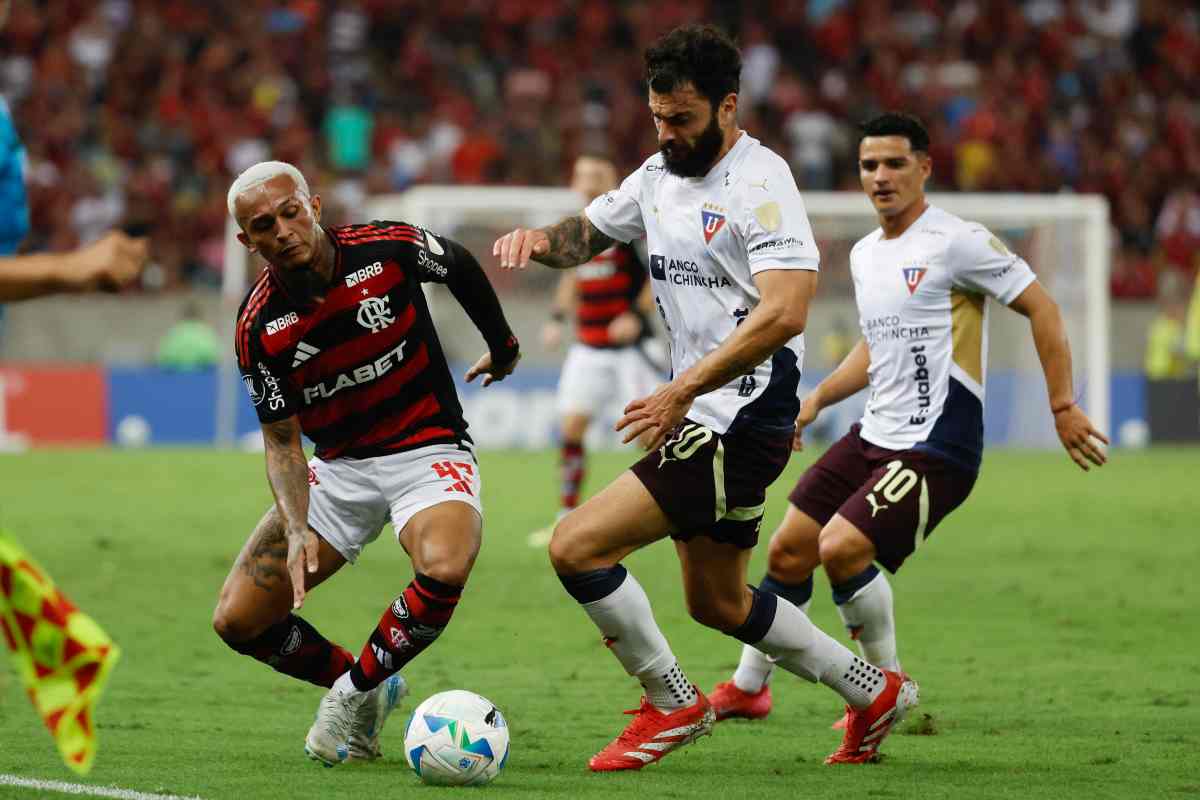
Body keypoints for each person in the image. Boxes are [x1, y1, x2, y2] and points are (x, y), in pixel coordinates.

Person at [494, 25, 917, 770]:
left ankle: (672, 704)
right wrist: (539, 240)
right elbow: (586, 235)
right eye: (658, 117)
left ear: (727, 106)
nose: (667, 133)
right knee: (717, 603)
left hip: (739, 411)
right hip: (706, 408)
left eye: (682, 119)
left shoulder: (761, 183)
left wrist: (681, 390)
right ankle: (872, 690)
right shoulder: (657, 174)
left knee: (576, 545)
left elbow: (786, 311)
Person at [707, 113, 1108, 731]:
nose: (881, 176)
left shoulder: (958, 241)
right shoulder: (866, 254)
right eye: (869, 165)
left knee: (841, 547)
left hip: (938, 444)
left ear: (925, 167)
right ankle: (748, 688)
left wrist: (1061, 404)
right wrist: (818, 400)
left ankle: (884, 693)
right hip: (873, 434)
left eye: (895, 163)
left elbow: (1043, 308)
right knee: (788, 550)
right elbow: (877, 345)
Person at [211, 161, 520, 766]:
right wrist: (295, 526)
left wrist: (503, 345)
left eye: (290, 212)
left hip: (427, 447)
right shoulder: (259, 327)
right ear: (247, 241)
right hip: (338, 469)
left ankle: (349, 695)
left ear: (314, 206)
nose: (283, 231)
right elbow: (282, 442)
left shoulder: (389, 248)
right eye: (264, 225)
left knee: (444, 566)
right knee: (238, 620)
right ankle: (370, 685)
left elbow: (458, 262)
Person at [532, 153, 663, 544]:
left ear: (612, 180)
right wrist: (557, 318)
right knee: (571, 429)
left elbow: (657, 275)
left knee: (648, 436)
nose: (588, 182)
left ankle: (667, 511)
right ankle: (565, 515)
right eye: (582, 175)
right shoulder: (578, 232)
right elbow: (572, 278)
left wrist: (635, 316)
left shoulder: (630, 227)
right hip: (587, 347)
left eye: (596, 175)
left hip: (631, 351)